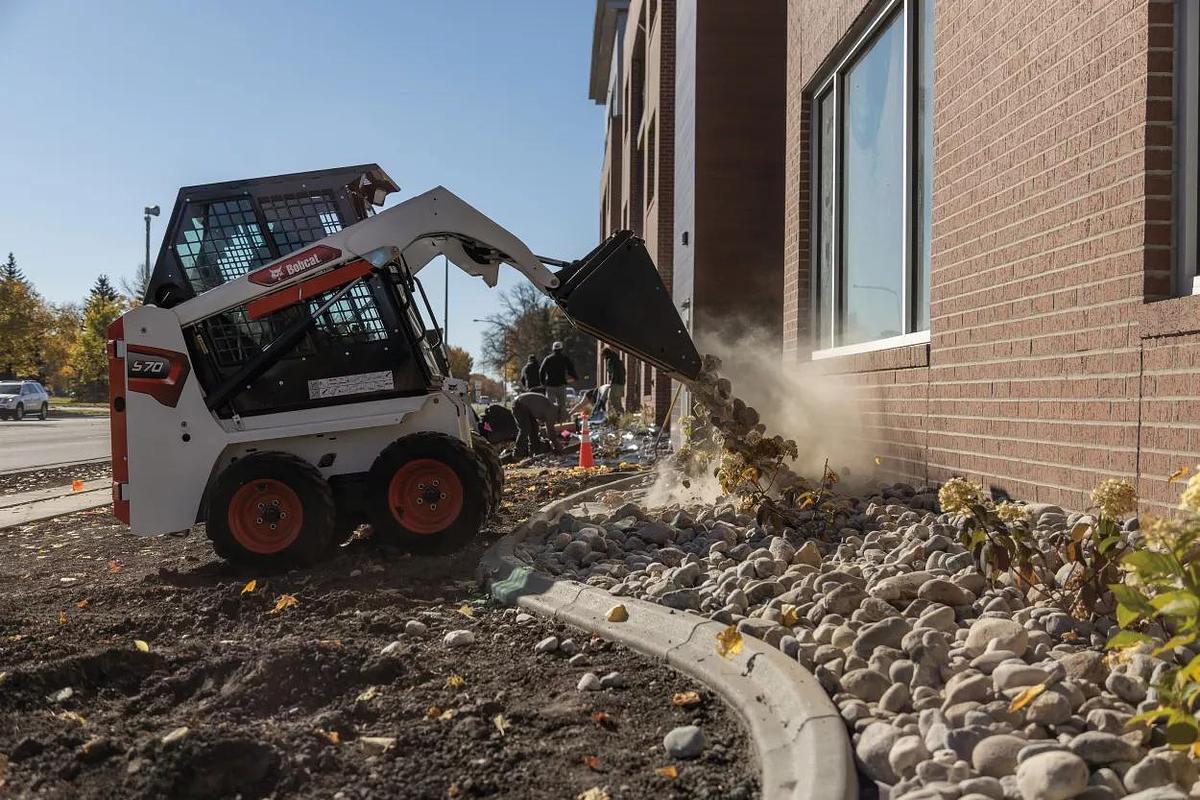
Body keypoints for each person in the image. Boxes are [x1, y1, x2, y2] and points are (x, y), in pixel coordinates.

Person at [511, 391, 563, 459]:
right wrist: (556, 444)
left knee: (534, 428)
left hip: (524, 405)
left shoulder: (549, 406)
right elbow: (550, 430)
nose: (555, 421)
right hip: (520, 404)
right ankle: (517, 453)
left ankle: (534, 450)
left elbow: (542, 421)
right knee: (525, 428)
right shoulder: (552, 410)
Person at [539, 341, 577, 421]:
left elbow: (541, 371)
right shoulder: (564, 358)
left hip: (550, 386)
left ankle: (550, 422)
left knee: (549, 406)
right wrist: (575, 377)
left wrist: (543, 383)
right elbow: (571, 369)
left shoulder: (548, 359)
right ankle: (562, 423)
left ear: (553, 349)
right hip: (561, 385)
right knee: (562, 406)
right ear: (561, 349)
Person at [602, 347, 625, 415]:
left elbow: (613, 372)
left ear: (606, 354)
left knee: (612, 398)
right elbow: (624, 372)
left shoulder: (611, 361)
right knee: (618, 399)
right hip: (621, 383)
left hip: (615, 383)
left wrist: (611, 382)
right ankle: (621, 415)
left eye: (603, 356)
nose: (603, 358)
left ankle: (618, 413)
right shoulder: (618, 360)